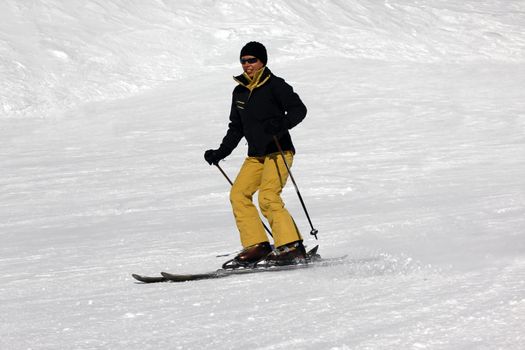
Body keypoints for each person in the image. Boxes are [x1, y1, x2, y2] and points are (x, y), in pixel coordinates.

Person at [204, 41, 308, 267]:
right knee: (238, 194)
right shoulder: (239, 91)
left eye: (252, 60)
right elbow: (236, 127)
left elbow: (300, 110)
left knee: (268, 197)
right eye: (243, 61)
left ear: (262, 61)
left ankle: (291, 247)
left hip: (278, 151)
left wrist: (281, 124)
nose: (247, 65)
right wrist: (220, 152)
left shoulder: (275, 85)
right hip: (256, 155)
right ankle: (257, 246)